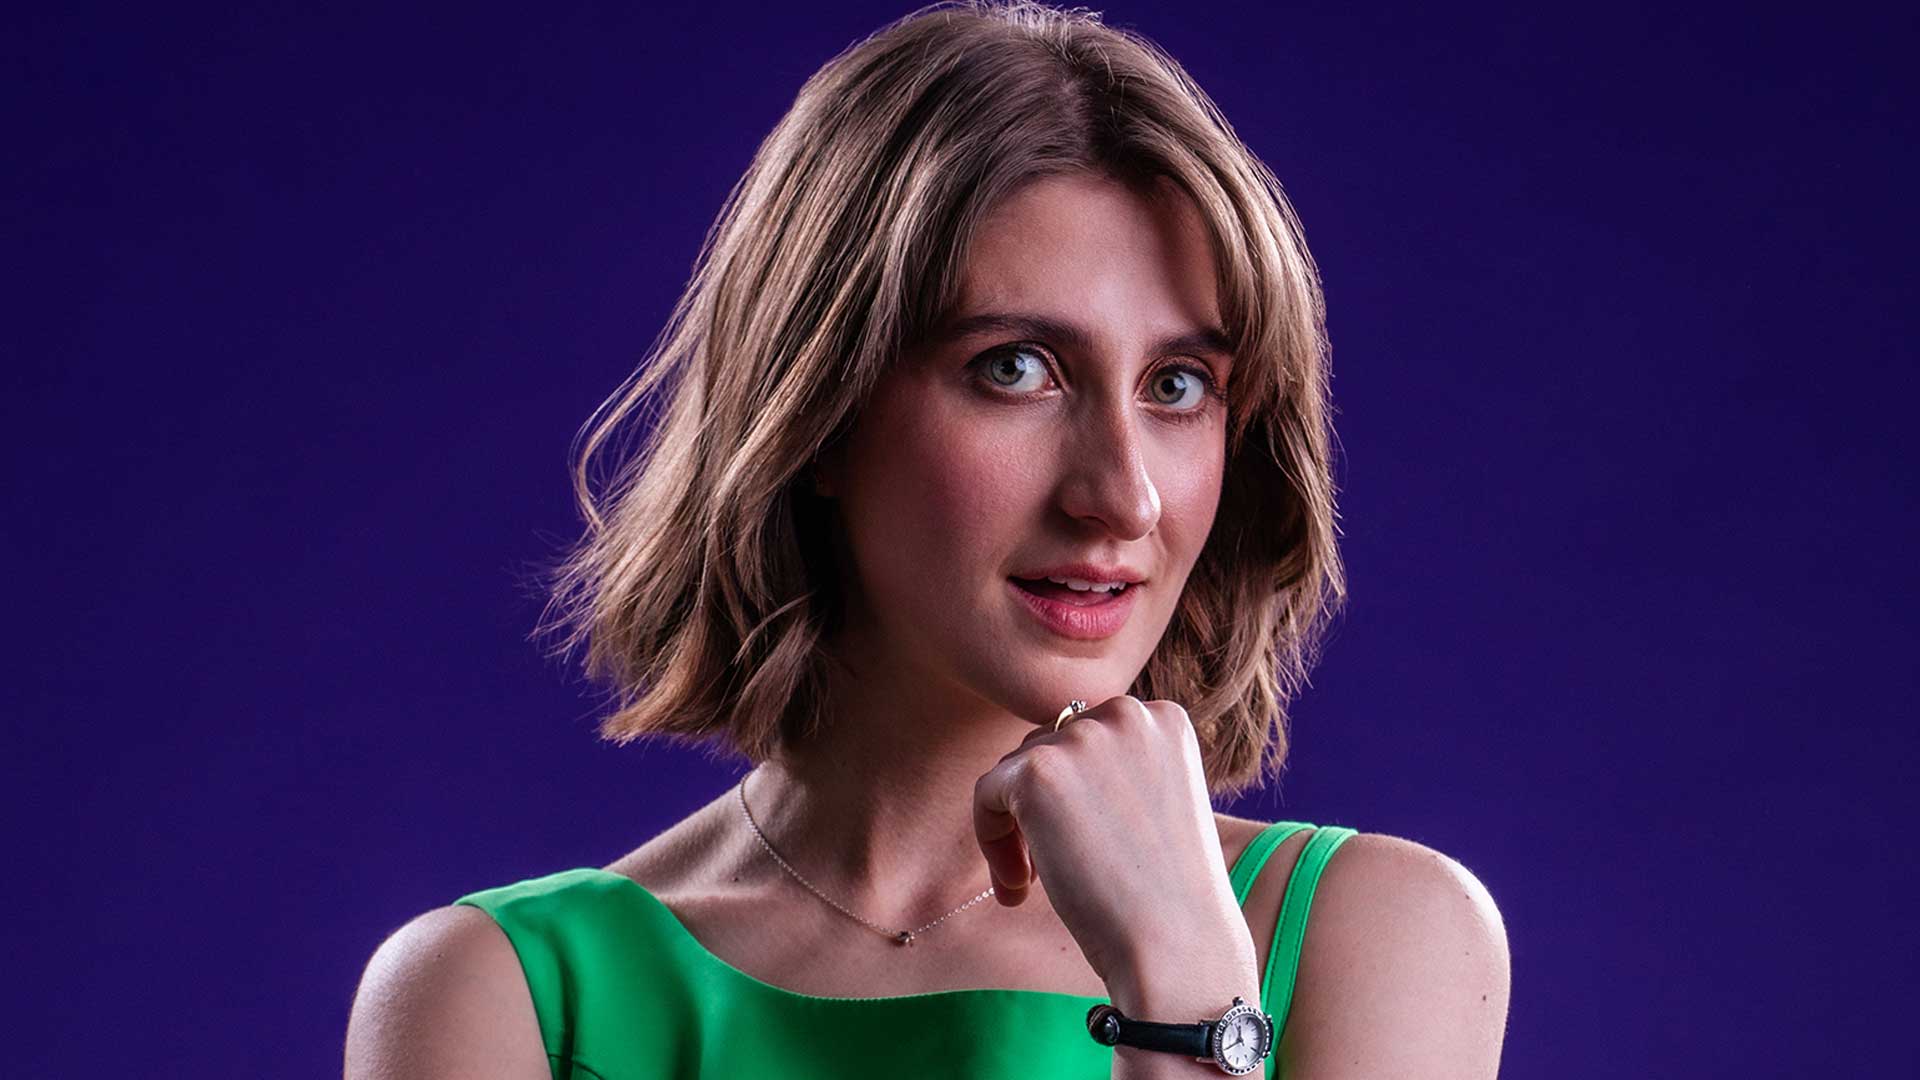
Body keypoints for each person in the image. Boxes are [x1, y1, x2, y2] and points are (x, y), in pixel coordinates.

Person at [343, 2, 1511, 1077]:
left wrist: (1187, 985)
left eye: (1177, 385)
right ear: (817, 417)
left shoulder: (1379, 937)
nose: (1125, 499)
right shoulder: (502, 1001)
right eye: (1016, 369)